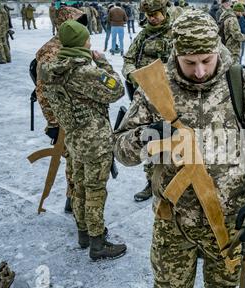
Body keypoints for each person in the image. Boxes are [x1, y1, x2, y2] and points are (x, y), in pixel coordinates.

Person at [113, 10, 245, 288]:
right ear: (175, 53)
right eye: (189, 63)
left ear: (217, 49)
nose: (199, 71)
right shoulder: (155, 87)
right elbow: (121, 150)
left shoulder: (241, 83)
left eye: (207, 60)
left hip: (228, 220)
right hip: (172, 223)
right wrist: (147, 135)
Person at [39, 19, 127, 261]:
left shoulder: (50, 69)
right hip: (95, 140)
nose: (90, 41)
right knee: (95, 189)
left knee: (78, 187)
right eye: (87, 38)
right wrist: (102, 62)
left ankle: (84, 233)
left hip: (74, 138)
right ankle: (98, 243)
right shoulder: (85, 72)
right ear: (81, 42)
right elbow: (117, 89)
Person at [35, 6, 86, 216]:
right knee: (74, 161)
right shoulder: (51, 50)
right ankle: (76, 205)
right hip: (63, 117)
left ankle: (72, 199)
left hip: (76, 115)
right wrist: (53, 123)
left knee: (76, 160)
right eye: (77, 20)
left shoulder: (70, 44)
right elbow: (43, 90)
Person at [122, 0, 173, 202]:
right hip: (146, 96)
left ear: (164, 12)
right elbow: (128, 60)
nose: (152, 18)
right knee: (150, 137)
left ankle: (174, 181)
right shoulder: (143, 35)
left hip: (170, 96)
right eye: (149, 15)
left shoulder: (175, 33)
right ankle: (151, 181)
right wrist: (132, 75)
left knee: (174, 139)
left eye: (156, 14)